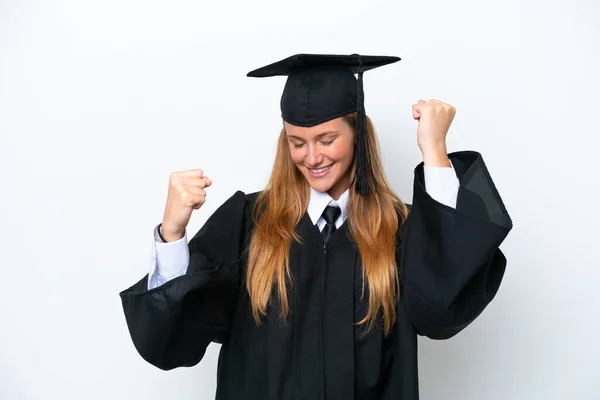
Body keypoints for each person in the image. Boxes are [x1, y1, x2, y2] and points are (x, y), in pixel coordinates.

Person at [119, 54, 513, 400]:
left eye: (327, 139)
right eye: (297, 142)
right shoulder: (248, 221)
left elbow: (441, 313)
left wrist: (435, 153)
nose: (312, 157)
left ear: (357, 133)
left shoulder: (399, 229)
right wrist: (172, 235)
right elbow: (173, 343)